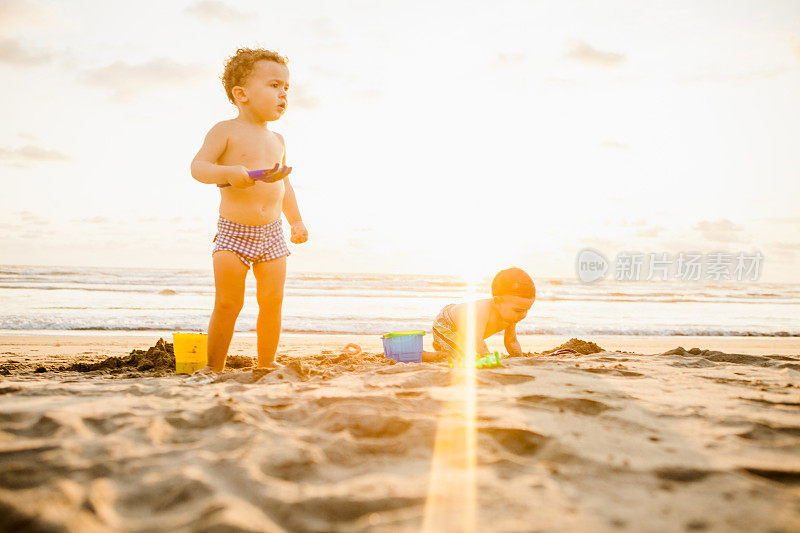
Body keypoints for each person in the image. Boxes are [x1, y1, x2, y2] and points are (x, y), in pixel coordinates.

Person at [188, 48, 307, 380]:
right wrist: (229, 172)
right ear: (241, 94)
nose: (283, 93)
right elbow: (198, 168)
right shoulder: (225, 130)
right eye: (273, 85)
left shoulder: (278, 139)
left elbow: (285, 186)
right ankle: (214, 367)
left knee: (273, 301)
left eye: (286, 87)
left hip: (272, 233)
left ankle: (266, 363)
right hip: (233, 233)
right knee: (229, 303)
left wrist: (295, 221)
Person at [431, 267, 535, 360]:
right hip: (447, 324)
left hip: (463, 331)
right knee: (460, 357)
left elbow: (511, 341)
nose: (523, 315)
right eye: (519, 310)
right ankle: (431, 355)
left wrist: (518, 357)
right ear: (498, 302)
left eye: (527, 310)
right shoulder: (483, 310)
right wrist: (488, 358)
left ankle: (444, 345)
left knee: (463, 351)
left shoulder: (510, 316)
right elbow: (476, 339)